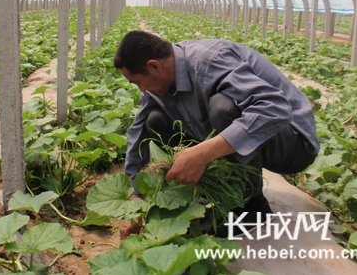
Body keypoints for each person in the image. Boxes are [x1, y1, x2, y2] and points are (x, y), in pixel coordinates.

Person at [113, 30, 320, 236]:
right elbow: (138, 132)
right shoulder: (159, 82)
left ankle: (250, 207)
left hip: (292, 143)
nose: (140, 90)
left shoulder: (210, 61)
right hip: (250, 138)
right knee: (155, 119)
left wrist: (202, 154)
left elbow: (275, 109)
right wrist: (137, 194)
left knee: (224, 107)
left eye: (137, 82)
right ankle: (212, 190)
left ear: (154, 66)